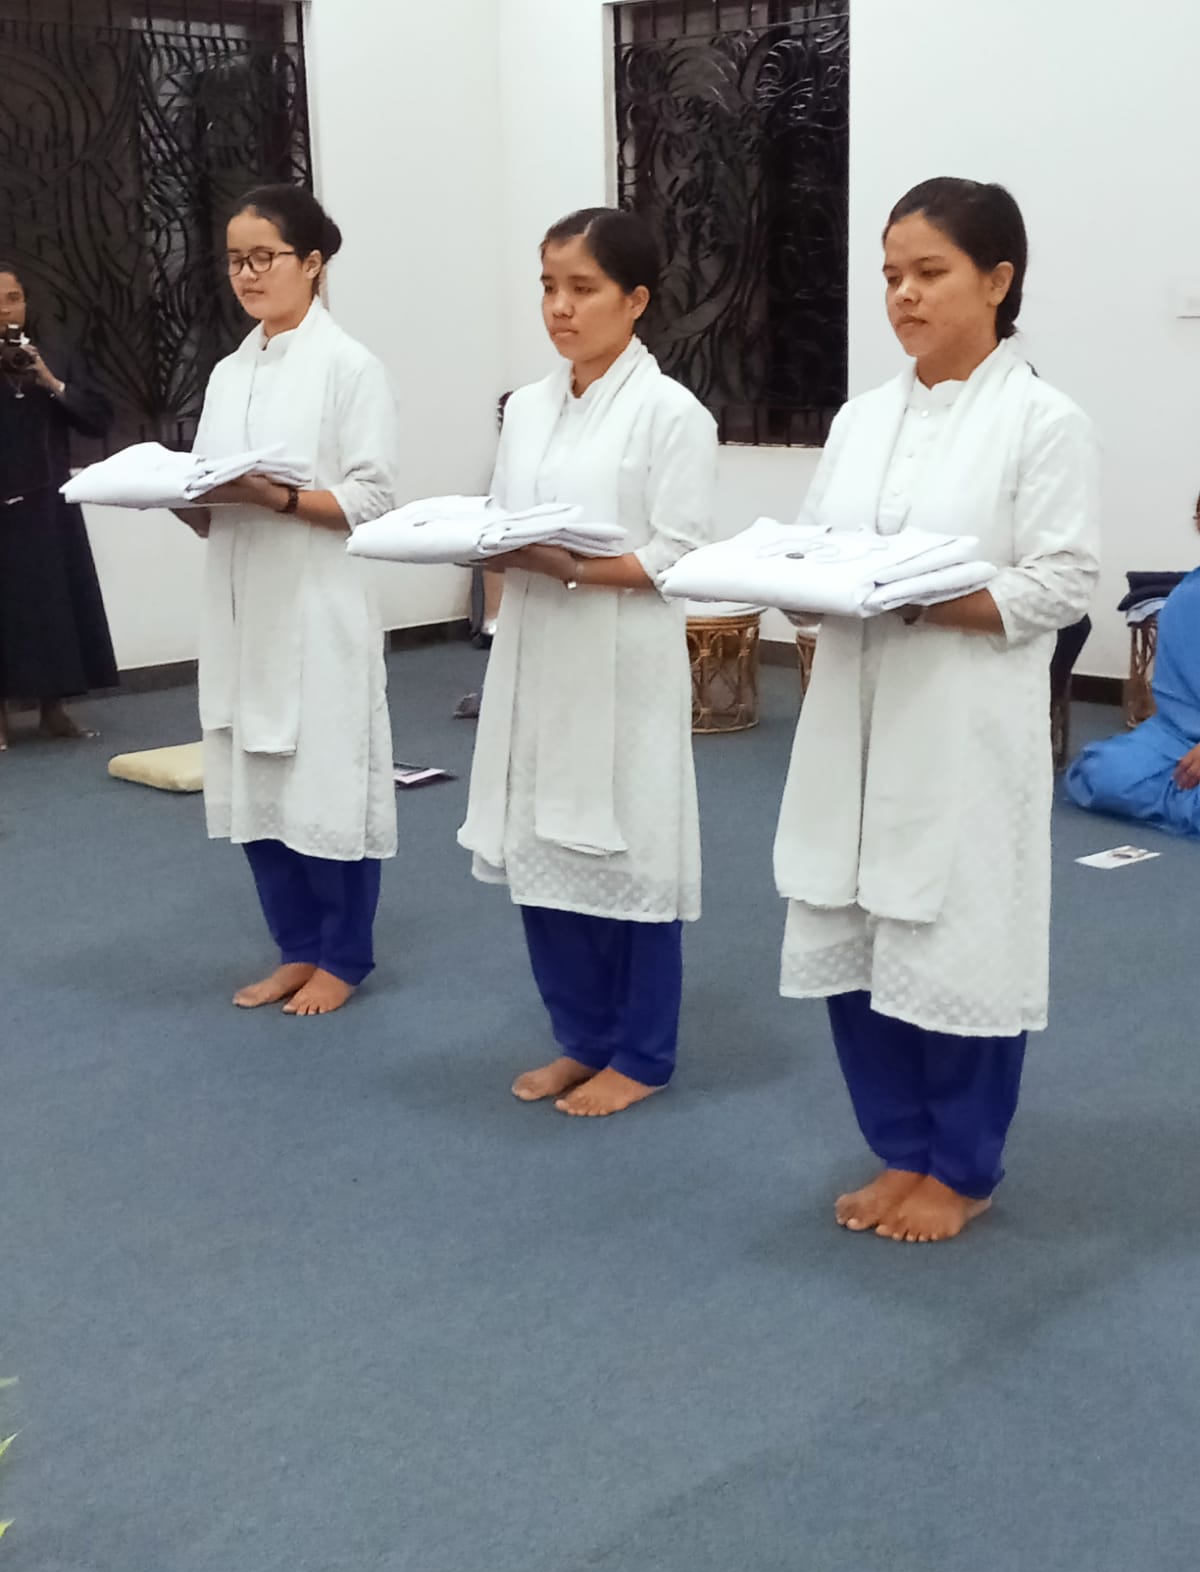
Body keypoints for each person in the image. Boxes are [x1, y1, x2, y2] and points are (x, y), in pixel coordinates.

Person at [774, 178, 1100, 1241]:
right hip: (853, 717)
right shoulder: (862, 419)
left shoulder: (1042, 421)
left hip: (965, 723)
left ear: (998, 280)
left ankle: (962, 1167)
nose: (903, 295)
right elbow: (817, 548)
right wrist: (794, 582)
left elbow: (1061, 582)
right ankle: (901, 1148)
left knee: (958, 936)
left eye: (929, 272)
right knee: (853, 923)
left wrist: (914, 599)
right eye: (890, 276)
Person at [458, 207, 716, 1117]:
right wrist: (492, 557)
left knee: (631, 854)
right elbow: (504, 521)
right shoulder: (528, 408)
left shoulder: (671, 414)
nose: (560, 307)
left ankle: (640, 1055)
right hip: (537, 651)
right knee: (542, 847)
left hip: (623, 660)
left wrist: (569, 566)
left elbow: (681, 554)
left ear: (635, 300)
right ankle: (580, 1038)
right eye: (548, 287)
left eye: (582, 288)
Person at [176, 186, 398, 1016]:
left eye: (263, 257)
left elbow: (373, 500)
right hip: (241, 602)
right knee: (255, 783)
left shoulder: (351, 367)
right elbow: (212, 496)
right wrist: (179, 499)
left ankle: (344, 956)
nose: (247, 274)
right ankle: (295, 948)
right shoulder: (230, 372)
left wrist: (275, 498)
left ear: (312, 264)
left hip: (316, 602)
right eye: (235, 259)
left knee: (326, 780)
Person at [0, 261, 118, 748]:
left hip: (47, 504)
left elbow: (97, 419)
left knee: (55, 607)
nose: (6, 310)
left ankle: (54, 711)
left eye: (13, 299)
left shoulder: (50, 356)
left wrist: (49, 380)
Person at [1064, 494, 1200, 835]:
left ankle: (1182, 796)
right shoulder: (1187, 600)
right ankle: (1185, 797)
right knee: (1100, 772)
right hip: (1178, 740)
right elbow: (1178, 709)